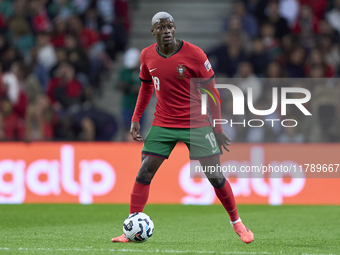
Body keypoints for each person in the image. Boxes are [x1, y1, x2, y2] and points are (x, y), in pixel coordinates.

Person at [111, 12, 254, 244]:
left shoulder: (195, 55)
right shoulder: (146, 55)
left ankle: (237, 222)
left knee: (215, 176)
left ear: (175, 28)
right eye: (160, 27)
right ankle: (131, 227)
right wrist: (136, 118)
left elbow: (212, 92)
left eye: (169, 26)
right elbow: (146, 87)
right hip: (163, 122)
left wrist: (217, 128)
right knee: (144, 170)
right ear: (153, 31)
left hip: (196, 123)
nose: (166, 30)